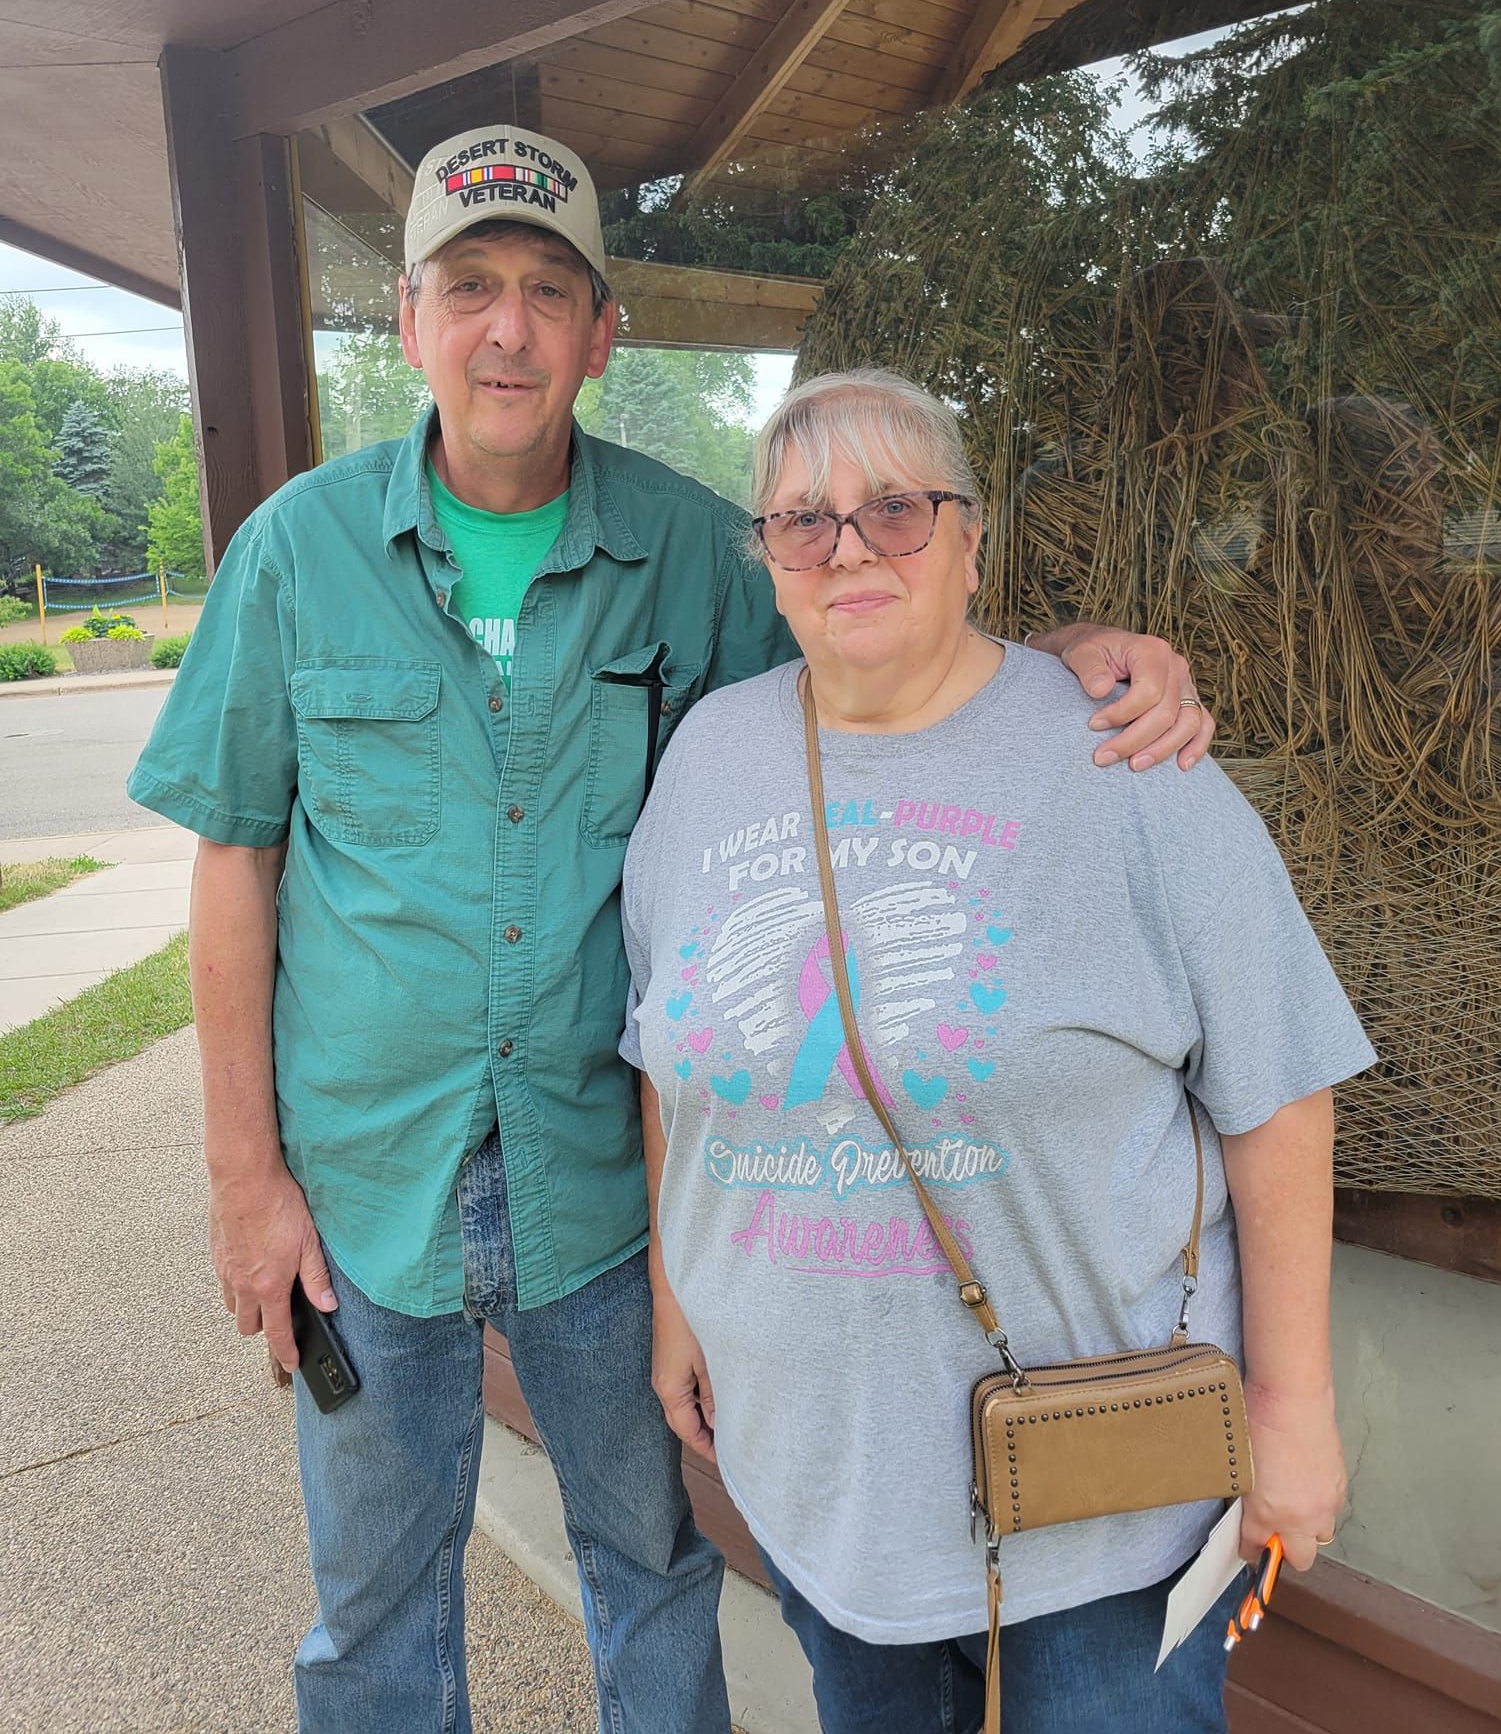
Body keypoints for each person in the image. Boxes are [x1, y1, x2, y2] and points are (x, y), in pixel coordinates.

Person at [128, 126, 1215, 1734]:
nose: (510, 329)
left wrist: (1070, 663)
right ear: (410, 320)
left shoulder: (701, 552)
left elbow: (876, 665)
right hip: (364, 1189)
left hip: (610, 1193)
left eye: (550, 293)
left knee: (648, 1563)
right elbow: (236, 871)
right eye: (473, 288)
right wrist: (245, 1185)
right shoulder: (296, 553)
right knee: (370, 1604)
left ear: (600, 333)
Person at [621, 368, 1375, 1734]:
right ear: (770, 566)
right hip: (816, 1475)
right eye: (804, 521)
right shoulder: (709, 761)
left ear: (973, 540)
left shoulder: (1127, 756)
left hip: (1096, 1502)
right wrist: (682, 1304)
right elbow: (672, 1062)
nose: (850, 546)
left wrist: (1294, 1407)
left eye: (896, 509)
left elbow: (1280, 1088)